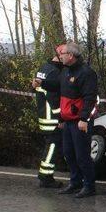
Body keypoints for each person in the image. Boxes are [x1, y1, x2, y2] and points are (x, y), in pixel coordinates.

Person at [33, 42, 99, 198]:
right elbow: (56, 86)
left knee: (82, 155)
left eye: (62, 54)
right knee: (69, 154)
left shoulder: (86, 73)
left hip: (80, 122)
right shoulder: (65, 72)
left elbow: (90, 98)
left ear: (70, 56)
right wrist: (41, 83)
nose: (59, 57)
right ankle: (75, 182)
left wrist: (84, 119)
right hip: (67, 121)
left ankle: (89, 186)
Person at [33, 49, 64, 188]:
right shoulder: (55, 73)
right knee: (52, 147)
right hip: (52, 119)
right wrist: (61, 117)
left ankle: (46, 176)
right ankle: (45, 177)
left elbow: (35, 88)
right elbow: (54, 98)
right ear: (59, 56)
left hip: (43, 116)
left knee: (50, 146)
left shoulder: (44, 69)